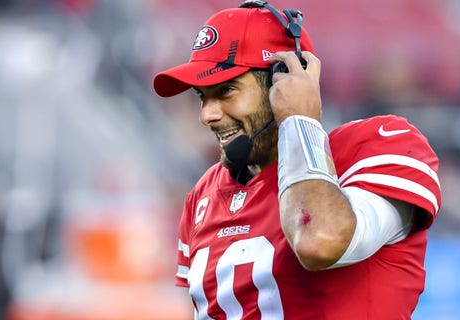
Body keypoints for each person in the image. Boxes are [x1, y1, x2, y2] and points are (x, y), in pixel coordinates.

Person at [152, 1, 441, 319]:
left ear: (283, 78)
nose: (207, 115)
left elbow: (320, 240)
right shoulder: (203, 195)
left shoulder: (377, 146)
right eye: (201, 96)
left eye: (227, 91)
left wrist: (299, 120)